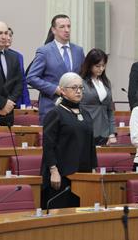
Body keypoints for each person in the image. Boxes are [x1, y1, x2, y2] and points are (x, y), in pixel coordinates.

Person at [40, 72, 97, 209]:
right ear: (63, 91)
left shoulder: (86, 114)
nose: (78, 91)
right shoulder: (55, 113)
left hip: (83, 175)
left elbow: (91, 144)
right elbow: (48, 145)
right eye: (74, 88)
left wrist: (93, 169)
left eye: (81, 88)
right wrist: (53, 171)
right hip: (61, 176)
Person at [27, 14, 85, 123]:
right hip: (51, 106)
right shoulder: (45, 51)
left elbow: (84, 76)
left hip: (75, 108)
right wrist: (55, 89)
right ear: (53, 30)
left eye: (69, 26)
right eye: (62, 27)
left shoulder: (78, 51)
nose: (67, 30)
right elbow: (31, 77)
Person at [79, 48, 117, 146]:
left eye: (103, 66)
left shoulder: (105, 82)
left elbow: (109, 110)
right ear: (89, 65)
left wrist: (112, 133)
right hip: (85, 130)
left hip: (104, 132)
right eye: (97, 66)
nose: (101, 69)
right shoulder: (80, 82)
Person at [6, 27, 31, 108]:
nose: (9, 38)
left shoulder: (18, 56)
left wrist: (27, 103)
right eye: (6, 35)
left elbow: (22, 80)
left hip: (16, 100)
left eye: (10, 35)